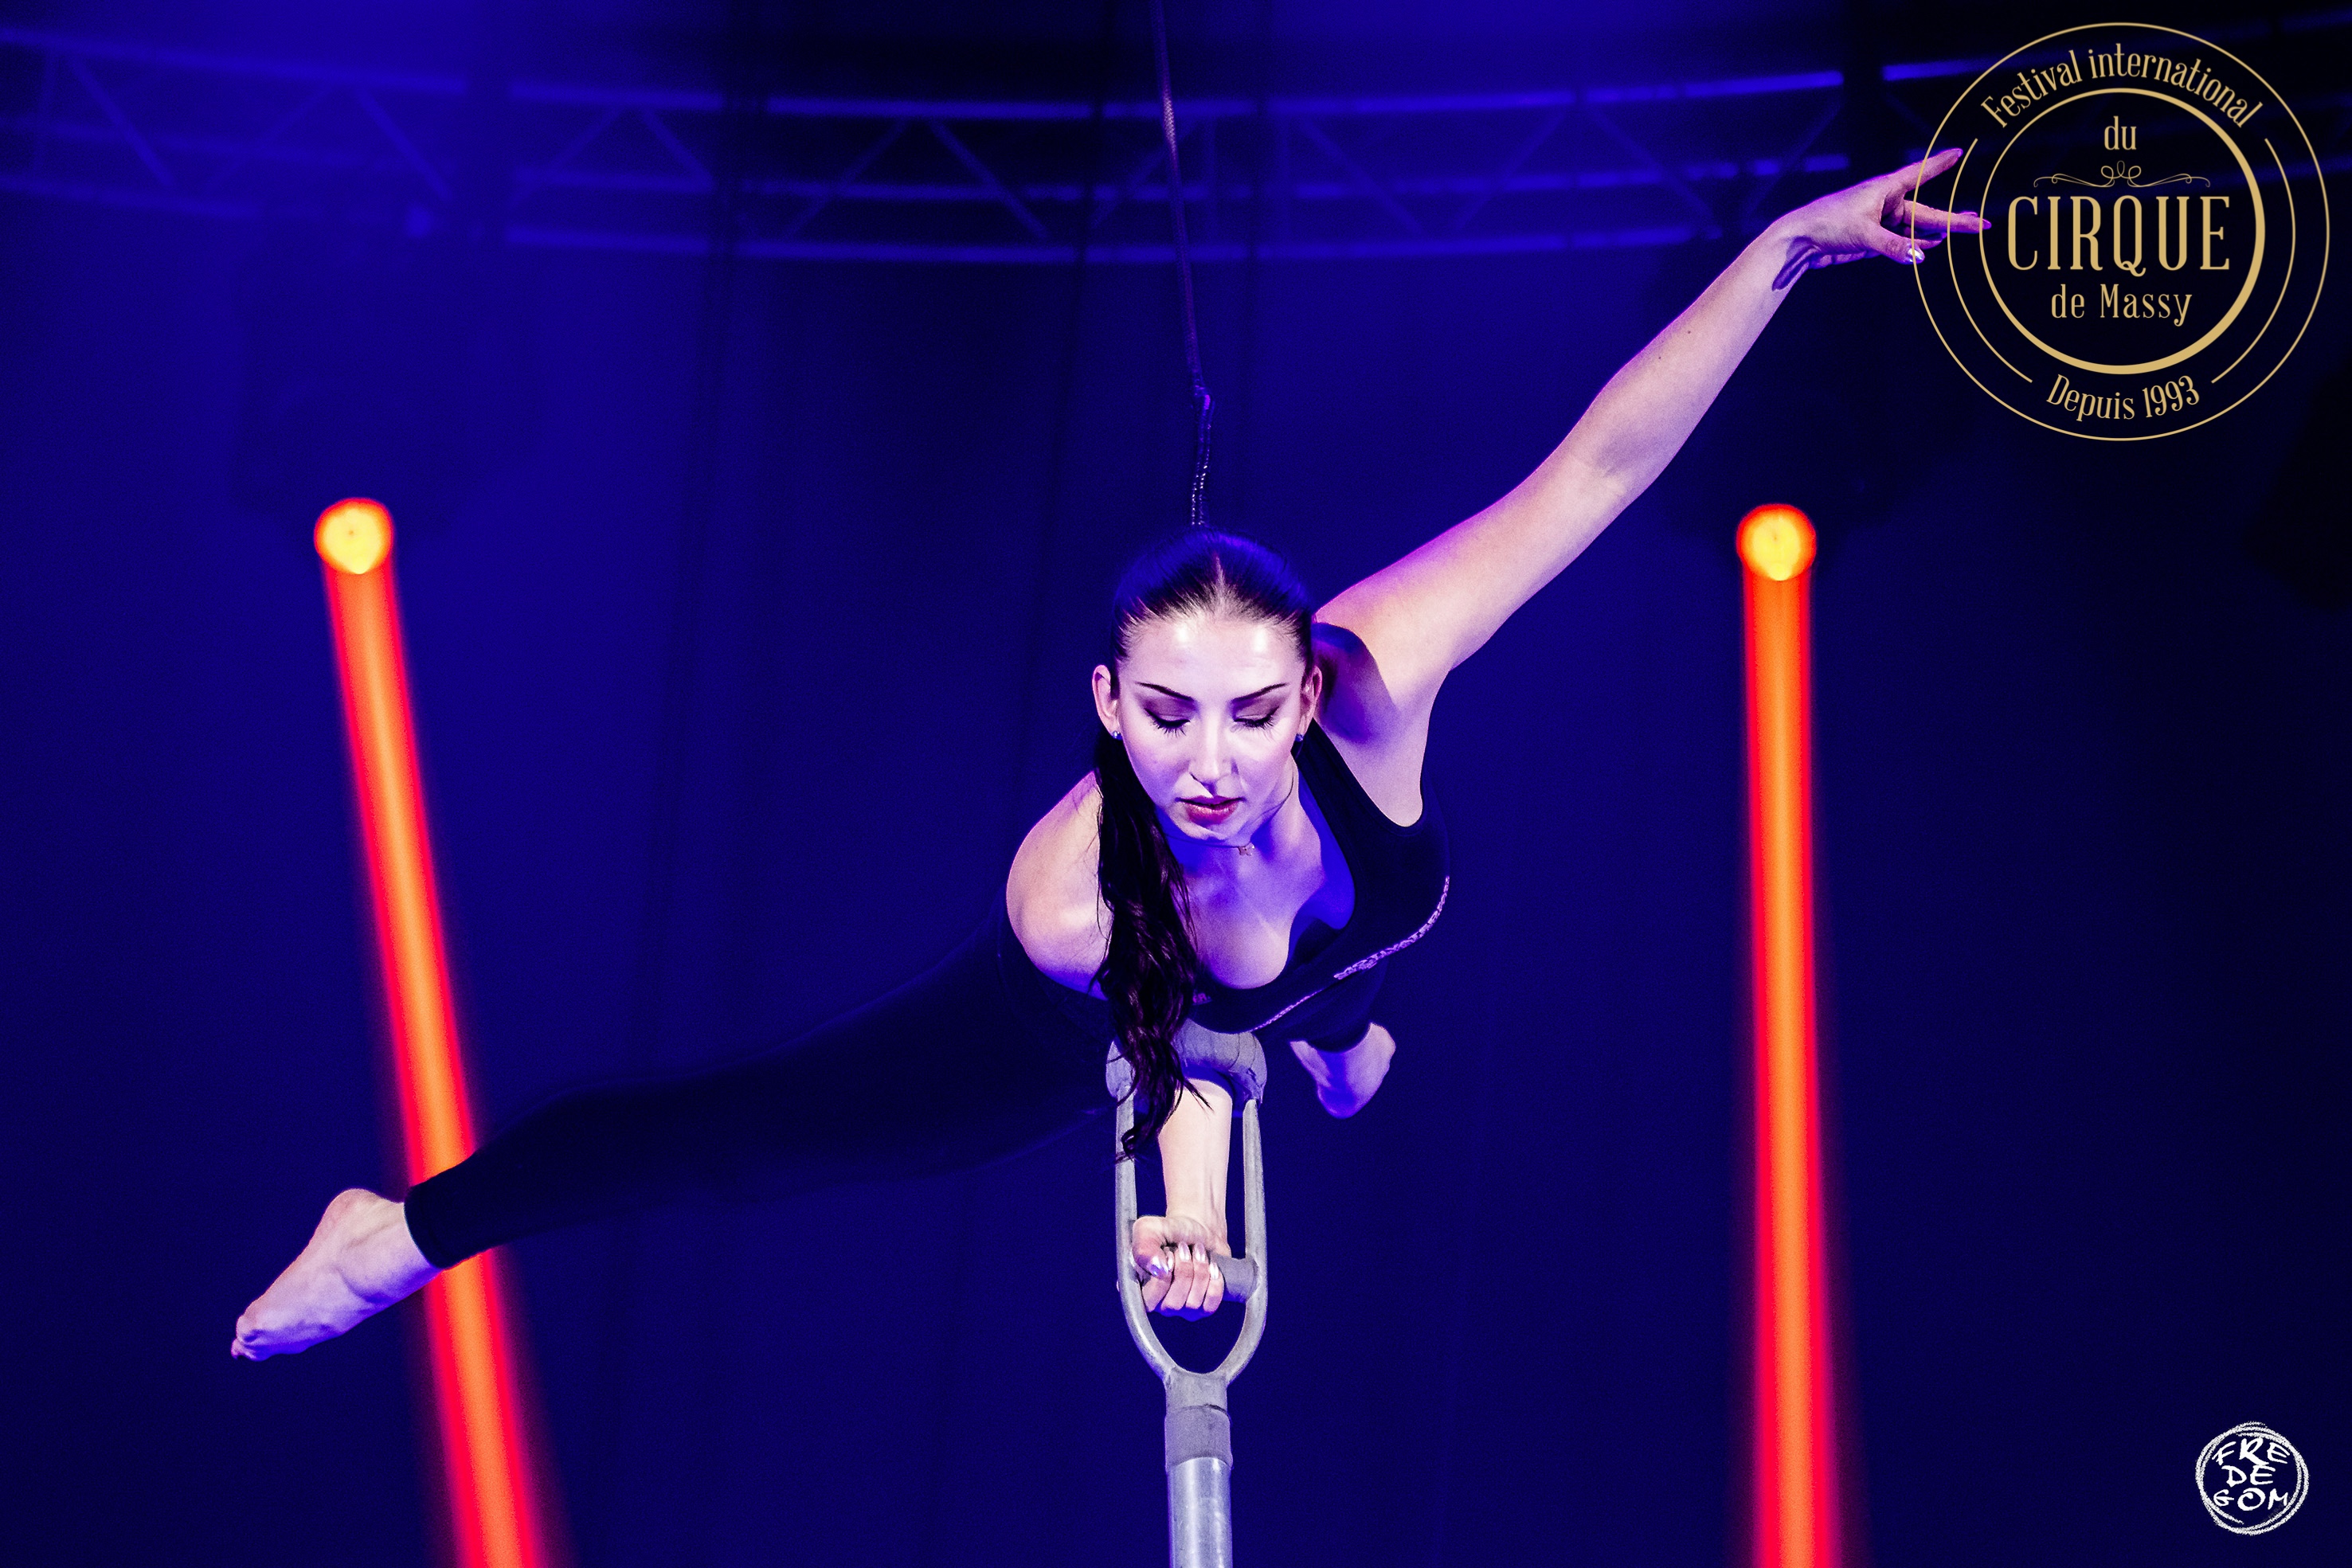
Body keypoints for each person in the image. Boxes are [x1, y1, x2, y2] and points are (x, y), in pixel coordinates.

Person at [232, 151, 1985, 1357]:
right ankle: (396, 1234)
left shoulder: (1379, 671)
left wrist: (1786, 248)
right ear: (1105, 702)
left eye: (1248, 713)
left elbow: (1595, 467)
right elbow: (1179, 1062)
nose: (1206, 761)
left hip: (1309, 959)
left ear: (1310, 693)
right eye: (1162, 715)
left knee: (1327, 1009)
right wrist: (1189, 1222)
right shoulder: (1072, 899)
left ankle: (1346, 1038)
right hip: (1066, 1030)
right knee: (745, 1136)